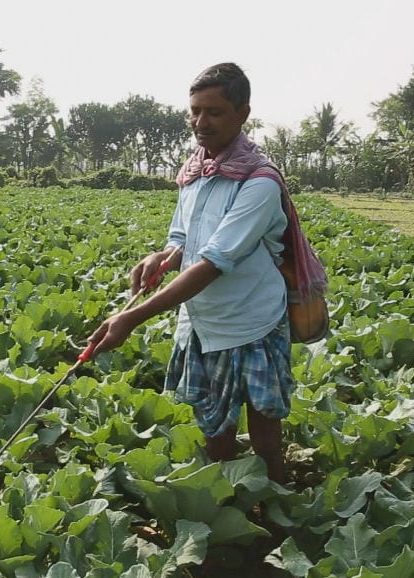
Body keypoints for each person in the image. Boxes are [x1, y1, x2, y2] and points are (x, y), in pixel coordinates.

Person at [85, 62, 295, 484]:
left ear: (242, 114)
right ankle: (224, 492)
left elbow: (215, 260)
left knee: (264, 422)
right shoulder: (195, 173)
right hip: (201, 320)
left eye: (214, 112)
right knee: (214, 424)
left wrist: (132, 316)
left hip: (250, 318)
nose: (201, 122)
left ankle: (275, 496)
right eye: (195, 111)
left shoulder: (259, 182)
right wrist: (160, 257)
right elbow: (184, 239)